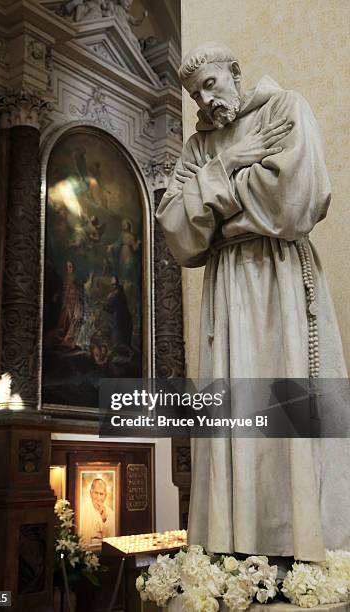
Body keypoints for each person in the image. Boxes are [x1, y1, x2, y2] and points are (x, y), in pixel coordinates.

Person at [156, 42, 350, 561]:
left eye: (212, 83)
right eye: (197, 93)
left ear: (234, 72)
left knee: (288, 404)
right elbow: (177, 233)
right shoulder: (198, 147)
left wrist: (213, 207)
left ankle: (300, 549)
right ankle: (237, 550)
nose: (206, 99)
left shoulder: (286, 108)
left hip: (280, 278)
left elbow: (292, 201)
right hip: (226, 290)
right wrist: (235, 162)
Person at [80, 478, 115, 546]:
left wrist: (104, 519)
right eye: (96, 493)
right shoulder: (82, 510)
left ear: (105, 495)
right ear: (90, 493)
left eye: (101, 494)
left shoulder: (111, 513)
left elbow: (112, 537)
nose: (98, 497)